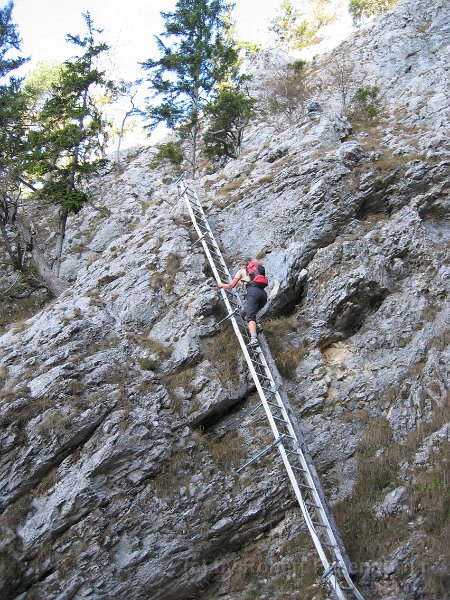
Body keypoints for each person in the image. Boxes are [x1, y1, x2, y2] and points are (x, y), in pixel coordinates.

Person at [218, 260, 268, 347]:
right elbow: (242, 283)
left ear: (242, 266)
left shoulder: (241, 271)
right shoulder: (253, 275)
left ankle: (254, 339)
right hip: (263, 295)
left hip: (253, 293)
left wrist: (221, 285)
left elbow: (230, 285)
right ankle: (257, 326)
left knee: (250, 317)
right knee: (244, 314)